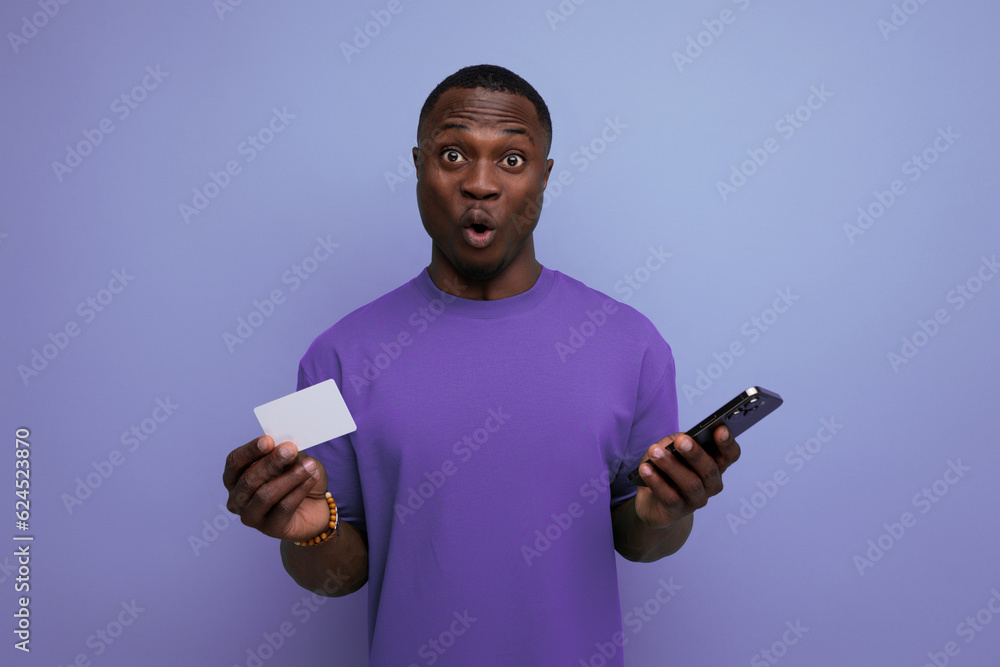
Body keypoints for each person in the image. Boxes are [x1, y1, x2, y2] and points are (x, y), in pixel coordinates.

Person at [222, 64, 741, 666]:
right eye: (452, 155)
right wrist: (306, 528)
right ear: (418, 165)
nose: (481, 184)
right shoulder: (335, 356)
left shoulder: (631, 343)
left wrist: (663, 516)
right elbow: (334, 577)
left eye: (512, 161)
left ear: (545, 177)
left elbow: (643, 542)